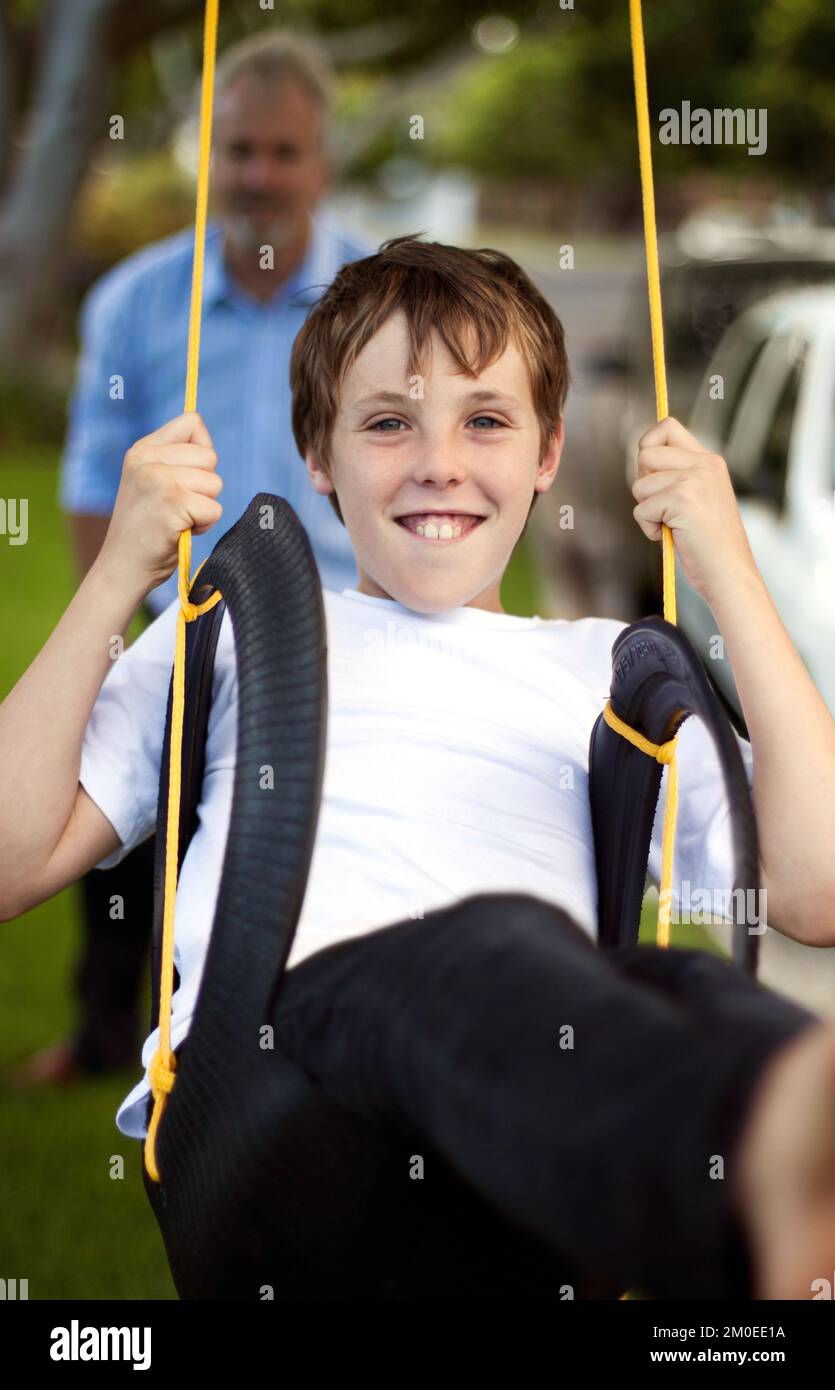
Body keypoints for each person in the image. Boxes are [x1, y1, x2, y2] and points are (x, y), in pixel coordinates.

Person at [2, 236, 834, 1299]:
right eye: (389, 422)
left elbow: (813, 891)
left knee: (681, 985)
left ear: (545, 454)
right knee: (489, 943)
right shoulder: (240, 632)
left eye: (484, 420)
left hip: (528, 1109)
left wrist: (728, 566)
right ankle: (763, 1150)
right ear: (319, 456)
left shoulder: (600, 677)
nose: (439, 462)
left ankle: (779, 1185)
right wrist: (122, 567)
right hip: (277, 1085)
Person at [12, 30, 372, 1086]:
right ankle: (97, 1032)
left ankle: (273, 1044)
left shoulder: (374, 293)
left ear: (321, 163)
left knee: (304, 849)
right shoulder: (132, 300)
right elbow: (92, 478)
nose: (258, 175)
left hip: (344, 626)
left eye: (282, 152)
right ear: (208, 155)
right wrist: (112, 628)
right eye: (239, 151)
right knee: (118, 830)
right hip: (185, 623)